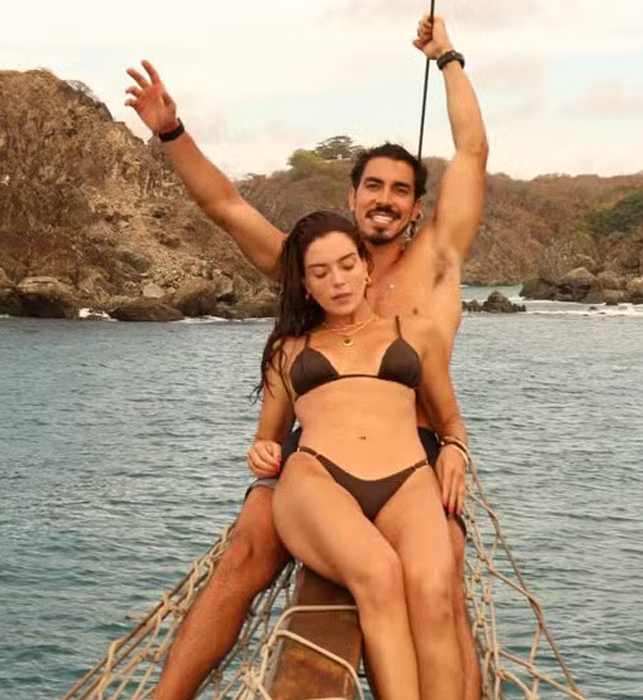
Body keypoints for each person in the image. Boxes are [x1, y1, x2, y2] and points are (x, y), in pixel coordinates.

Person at [124, 13, 487, 700]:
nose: (384, 200)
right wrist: (173, 133)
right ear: (352, 196)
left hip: (414, 448)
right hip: (316, 449)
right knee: (246, 548)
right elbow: (228, 208)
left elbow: (471, 151)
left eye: (400, 190)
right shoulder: (312, 266)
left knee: (443, 576)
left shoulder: (438, 261)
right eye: (373, 186)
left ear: (416, 208)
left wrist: (447, 58)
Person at [252, 210, 468, 700]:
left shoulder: (416, 332)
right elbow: (268, 439)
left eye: (347, 265)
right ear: (306, 286)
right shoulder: (288, 349)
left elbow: (449, 420)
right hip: (318, 479)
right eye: (320, 272)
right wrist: (262, 452)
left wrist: (454, 450)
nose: (338, 280)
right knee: (380, 575)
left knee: (435, 596)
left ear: (366, 267)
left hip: (407, 479)